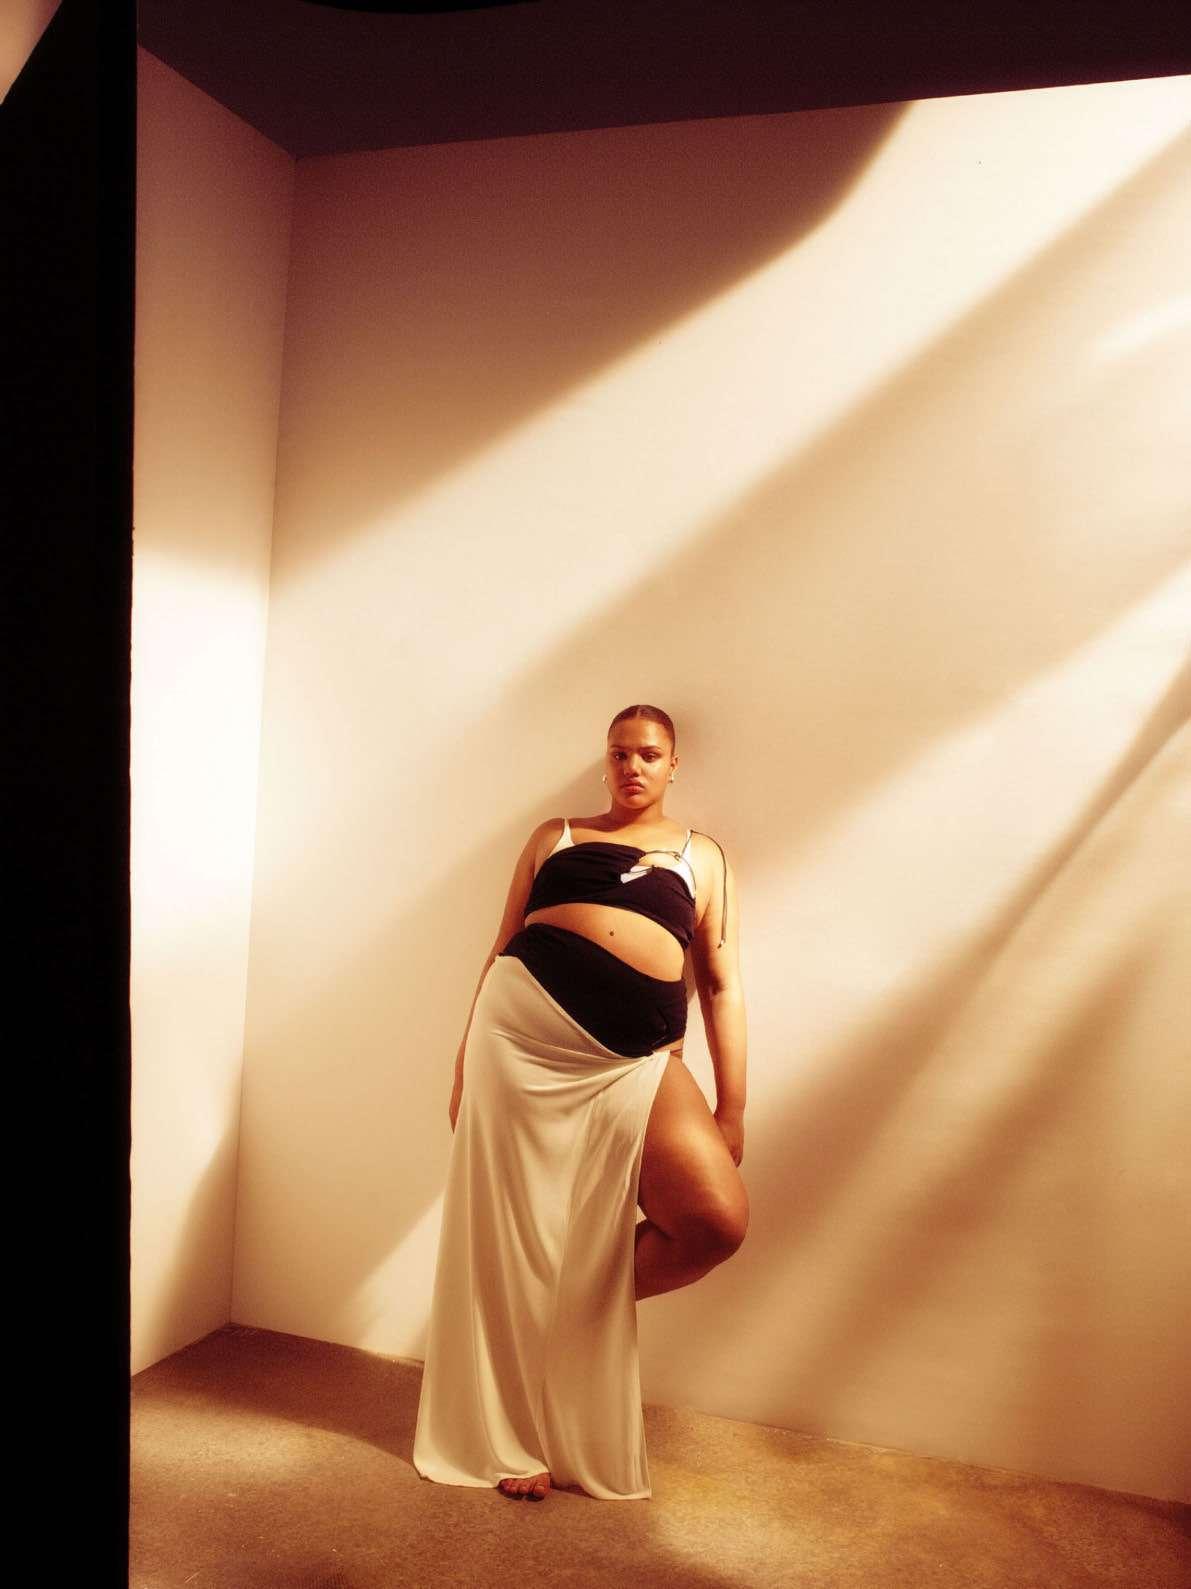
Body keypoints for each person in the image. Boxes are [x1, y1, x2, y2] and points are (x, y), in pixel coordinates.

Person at [412, 704, 748, 1502]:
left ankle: (565, 1310)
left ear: (672, 766)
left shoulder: (702, 855)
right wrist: (462, 1063)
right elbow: (501, 944)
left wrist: (732, 1107)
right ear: (604, 761)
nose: (633, 765)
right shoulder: (554, 836)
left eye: (649, 754)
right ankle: (509, 1436)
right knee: (507, 1231)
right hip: (519, 1036)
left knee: (714, 1221)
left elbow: (720, 983)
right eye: (620, 753)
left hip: (636, 1058)